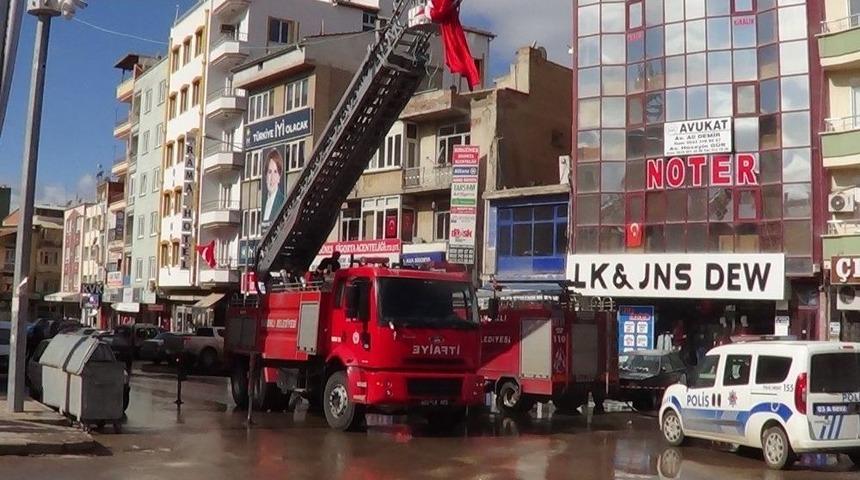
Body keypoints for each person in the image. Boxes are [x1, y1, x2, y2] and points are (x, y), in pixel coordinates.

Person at [262, 149, 285, 223]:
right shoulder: (263, 203)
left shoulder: (282, 202)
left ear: (279, 177)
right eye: (269, 172)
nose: (272, 178)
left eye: (275, 172)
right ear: (266, 176)